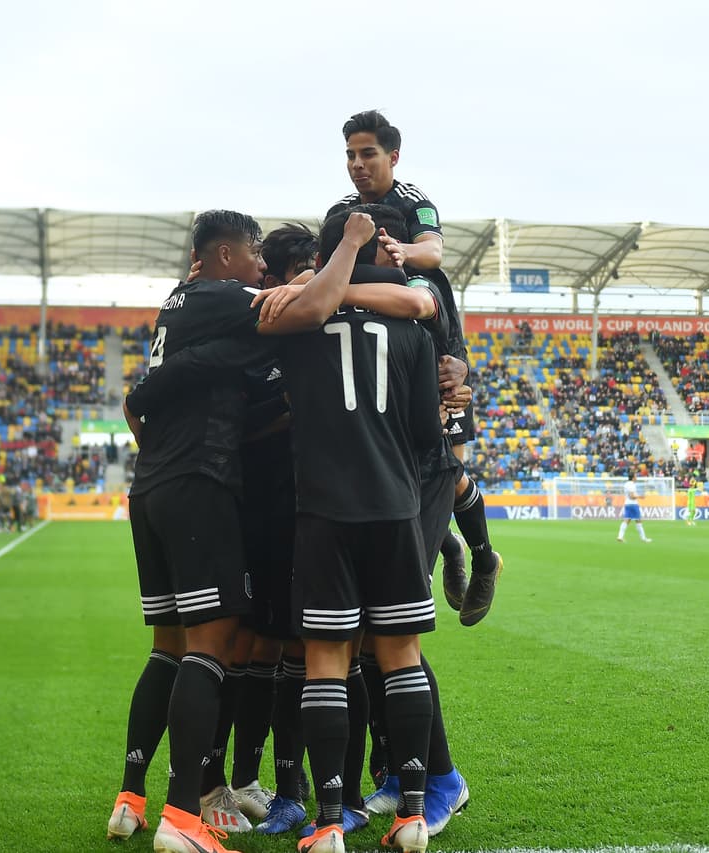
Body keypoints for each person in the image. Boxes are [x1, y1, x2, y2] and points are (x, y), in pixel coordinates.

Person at [107, 209, 373, 853]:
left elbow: (141, 399)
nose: (260, 266)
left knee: (169, 648)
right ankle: (184, 817)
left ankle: (132, 798)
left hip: (155, 485)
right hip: (201, 484)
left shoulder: (182, 304)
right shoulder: (221, 295)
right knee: (211, 644)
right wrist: (353, 246)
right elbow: (311, 310)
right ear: (225, 256)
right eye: (253, 254)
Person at [277, 208, 442, 853]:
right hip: (393, 507)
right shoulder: (414, 334)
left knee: (325, 663)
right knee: (400, 658)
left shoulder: (297, 320)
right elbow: (430, 436)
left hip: (322, 509)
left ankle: (326, 824)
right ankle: (410, 816)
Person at [326, 110, 500, 626]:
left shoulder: (413, 201)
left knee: (444, 469)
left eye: (367, 154)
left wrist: (403, 250)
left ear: (392, 157)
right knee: (401, 470)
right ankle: (448, 548)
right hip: (380, 352)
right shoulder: (340, 211)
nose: (357, 165)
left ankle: (484, 556)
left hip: (435, 343)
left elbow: (434, 249)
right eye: (350, 156)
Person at [617, 472, 651, 543]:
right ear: (633, 477)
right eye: (636, 476)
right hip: (633, 504)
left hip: (627, 504)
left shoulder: (626, 484)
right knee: (638, 521)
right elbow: (632, 496)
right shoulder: (632, 485)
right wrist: (640, 497)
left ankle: (620, 536)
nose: (636, 478)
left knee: (626, 520)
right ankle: (643, 538)